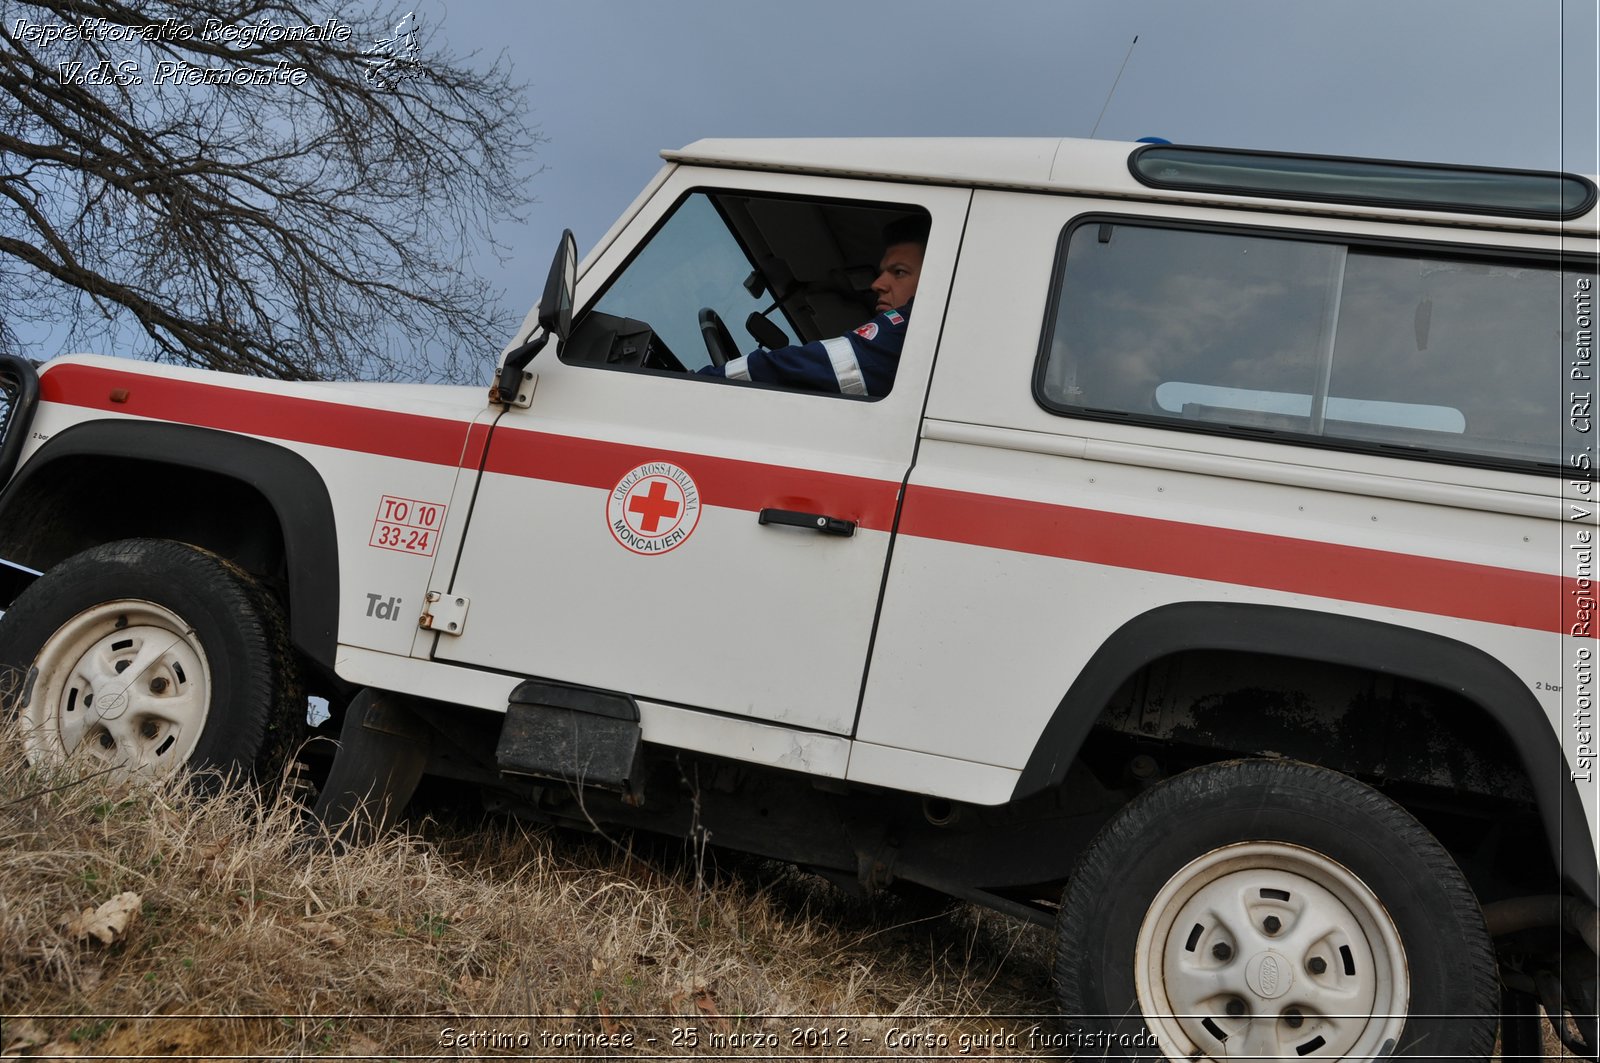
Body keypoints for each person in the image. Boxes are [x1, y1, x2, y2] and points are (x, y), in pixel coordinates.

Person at [697, 216, 927, 397]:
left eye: (899, 272)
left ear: (937, 281)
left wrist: (699, 381)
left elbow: (834, 364)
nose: (877, 284)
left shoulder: (917, 326)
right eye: (882, 273)